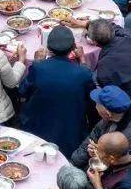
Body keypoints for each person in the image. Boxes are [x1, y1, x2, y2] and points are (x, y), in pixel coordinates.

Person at [17, 26, 95, 157]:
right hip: (70, 131)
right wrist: (82, 61)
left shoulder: (38, 67)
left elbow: (22, 90)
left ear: (49, 48)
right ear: (73, 48)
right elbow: (90, 101)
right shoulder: (83, 73)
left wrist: (37, 62)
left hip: (37, 129)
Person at [72, 85, 131, 189]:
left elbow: (118, 169)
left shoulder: (128, 139)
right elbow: (94, 134)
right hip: (112, 161)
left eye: (97, 104)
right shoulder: (118, 113)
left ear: (108, 113)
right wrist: (76, 159)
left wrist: (100, 156)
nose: (95, 107)